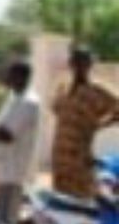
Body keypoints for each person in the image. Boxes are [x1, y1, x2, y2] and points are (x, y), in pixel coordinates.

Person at [49, 46, 119, 200]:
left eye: (84, 61)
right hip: (59, 158)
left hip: (79, 158)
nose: (79, 65)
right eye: (76, 61)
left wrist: (101, 124)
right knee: (60, 204)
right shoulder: (63, 88)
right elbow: (56, 110)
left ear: (90, 64)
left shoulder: (96, 90)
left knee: (82, 202)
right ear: (71, 63)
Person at [0, 60, 43, 224]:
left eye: (10, 74)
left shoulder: (29, 102)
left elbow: (8, 134)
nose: (6, 77)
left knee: (8, 215)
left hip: (14, 167)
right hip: (4, 164)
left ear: (21, 77)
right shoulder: (14, 98)